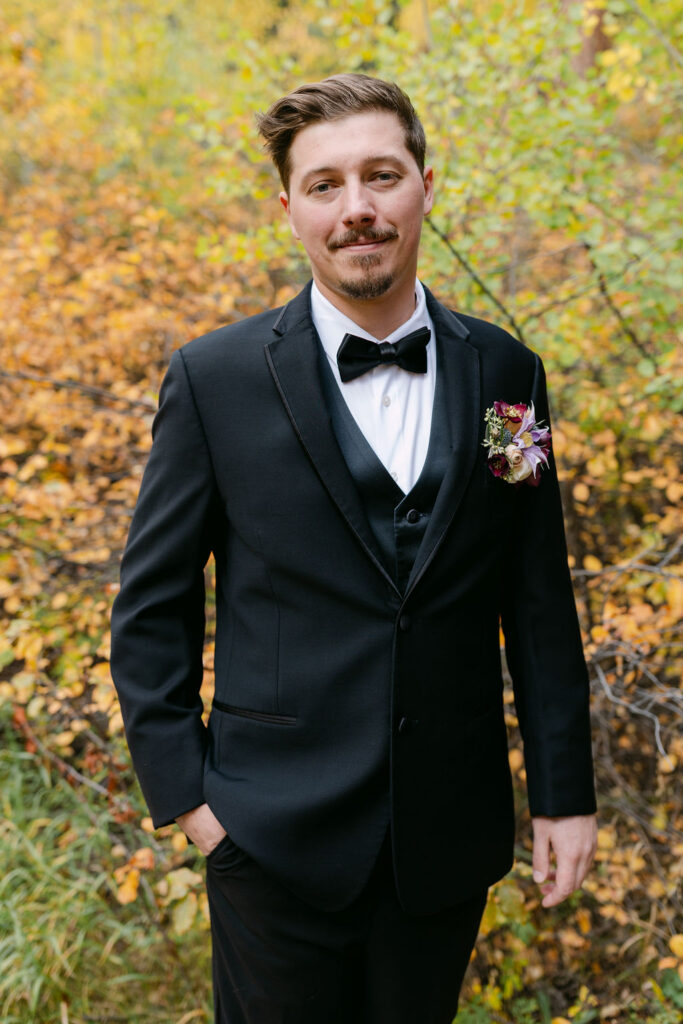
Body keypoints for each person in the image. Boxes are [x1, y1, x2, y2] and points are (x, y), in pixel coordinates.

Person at [110, 73, 597, 1023]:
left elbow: (536, 596)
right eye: (327, 184)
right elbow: (151, 611)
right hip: (265, 838)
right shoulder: (214, 381)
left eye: (382, 176)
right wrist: (194, 807)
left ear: (425, 184)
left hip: (445, 841)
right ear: (289, 206)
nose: (358, 209)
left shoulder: (506, 374)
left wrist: (563, 795)